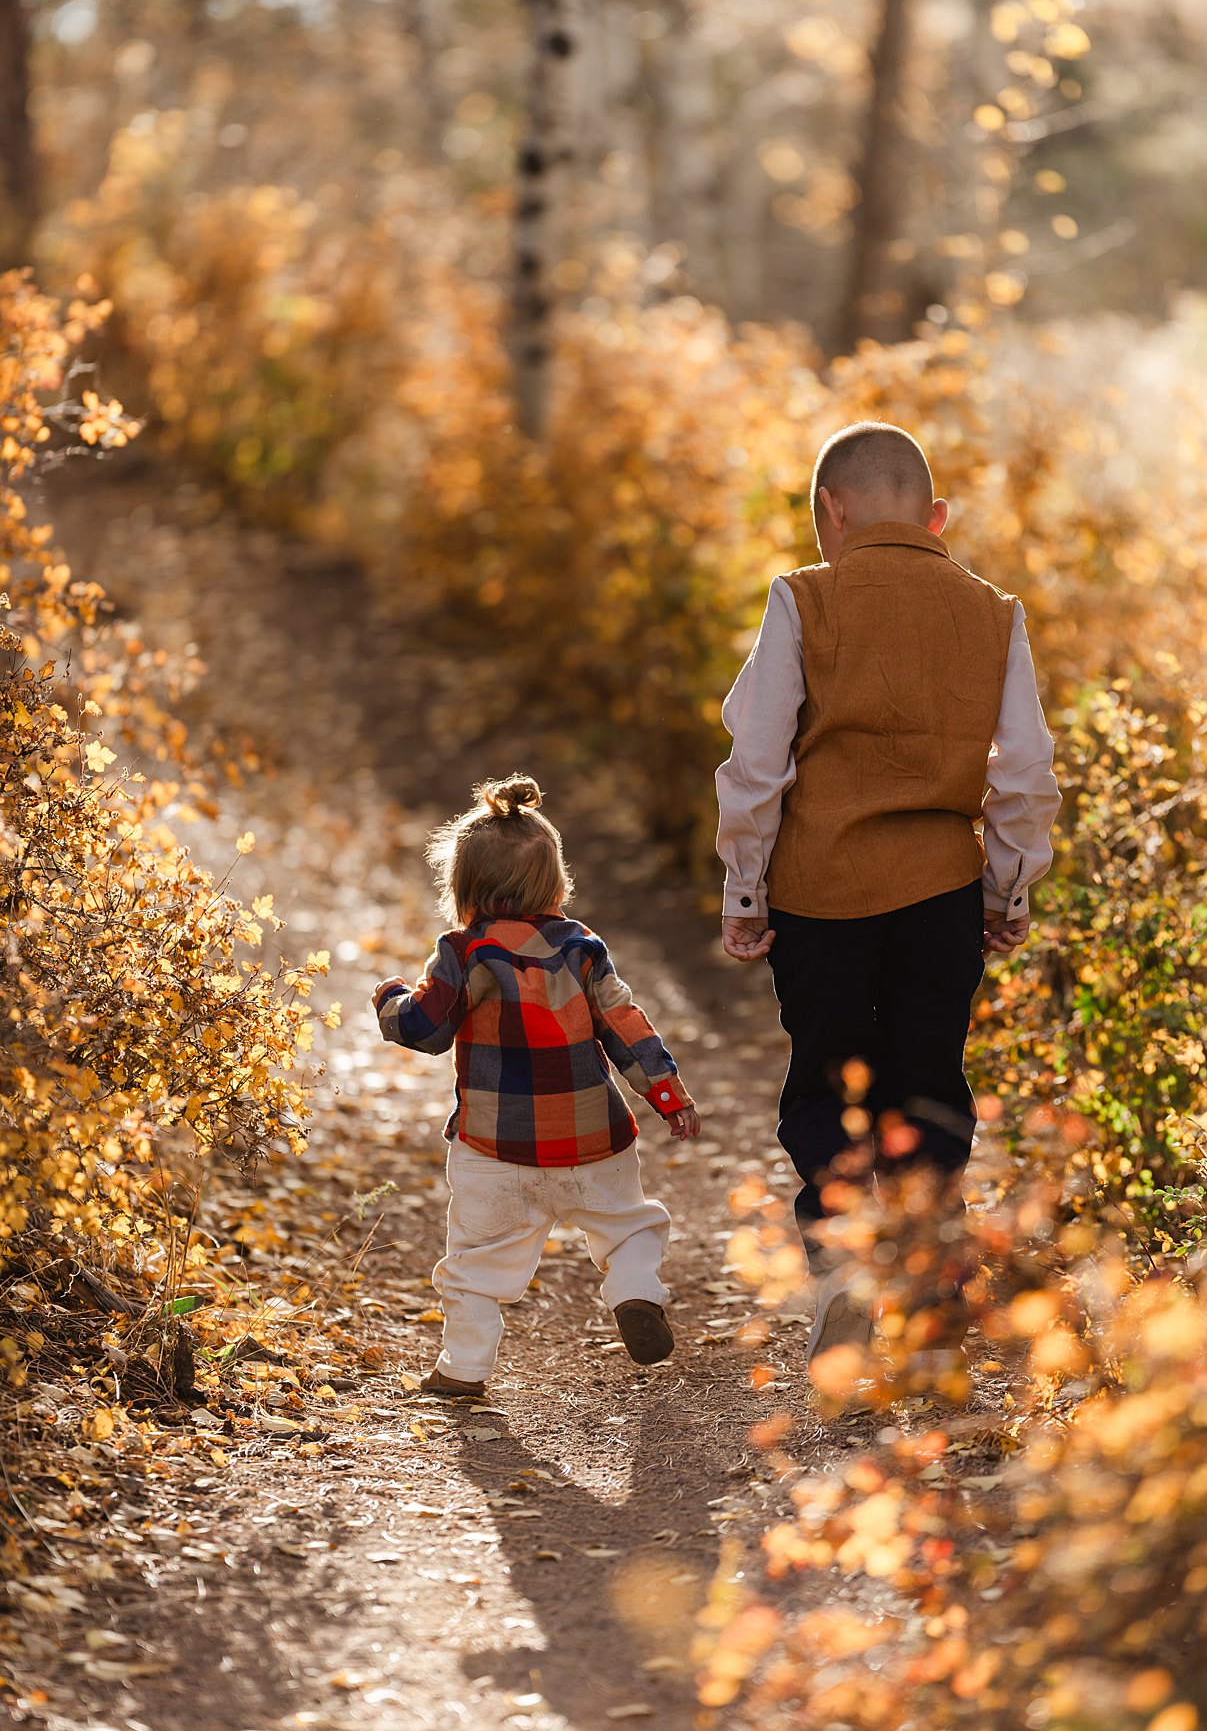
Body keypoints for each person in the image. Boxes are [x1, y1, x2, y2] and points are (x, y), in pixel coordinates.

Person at [715, 420, 1060, 1365]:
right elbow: (1026, 770)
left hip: (818, 893)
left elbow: (755, 761)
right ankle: (929, 1287)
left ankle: (834, 1267)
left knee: (827, 1080)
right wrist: (1006, 888)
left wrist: (745, 891)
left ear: (829, 511)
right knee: (928, 1081)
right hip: (940, 893)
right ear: (934, 516)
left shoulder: (803, 600)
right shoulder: (994, 611)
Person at [372, 775, 700, 1399]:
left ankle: (464, 1368)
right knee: (626, 1226)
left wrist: (390, 1000)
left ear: (462, 889)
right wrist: (667, 1094)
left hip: (494, 1147)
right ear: (555, 881)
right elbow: (624, 1024)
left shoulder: (461, 952)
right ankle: (633, 1290)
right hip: (593, 1137)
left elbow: (427, 1029)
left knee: (474, 1263)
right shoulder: (583, 949)